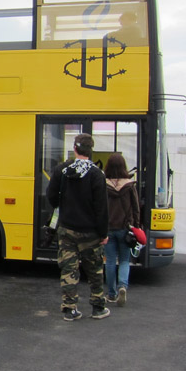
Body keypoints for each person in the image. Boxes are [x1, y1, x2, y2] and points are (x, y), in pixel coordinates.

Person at [46, 133, 110, 321]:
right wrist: (103, 232)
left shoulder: (62, 170)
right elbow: (101, 208)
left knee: (69, 269)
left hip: (67, 229)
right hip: (90, 231)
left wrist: (63, 205)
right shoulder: (97, 174)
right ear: (91, 150)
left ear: (74, 149)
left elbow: (51, 196)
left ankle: (70, 309)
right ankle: (98, 308)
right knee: (94, 270)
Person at [104, 153, 140, 307]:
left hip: (108, 228)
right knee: (125, 260)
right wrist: (136, 226)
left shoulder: (103, 185)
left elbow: (99, 208)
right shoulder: (130, 185)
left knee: (110, 261)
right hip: (126, 229)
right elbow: (136, 208)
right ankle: (122, 287)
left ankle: (111, 294)